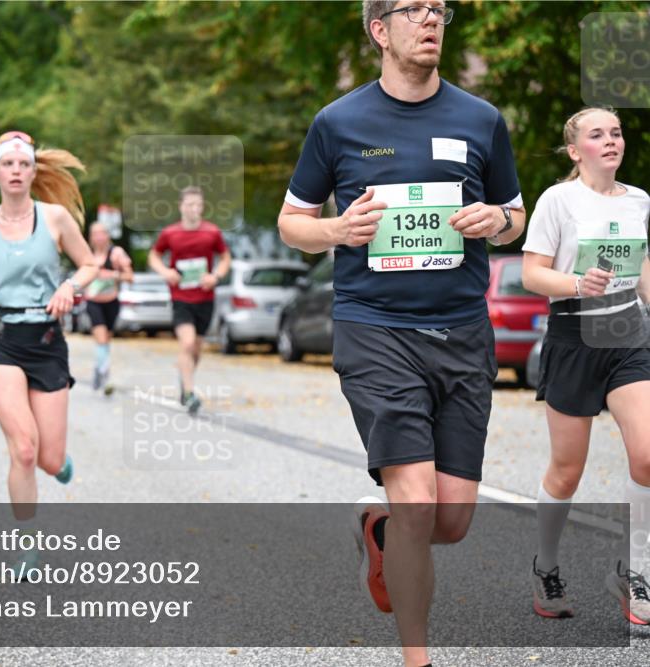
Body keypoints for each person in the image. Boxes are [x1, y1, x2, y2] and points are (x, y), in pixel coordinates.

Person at [277, 2, 526, 665]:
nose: (431, 19)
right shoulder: (338, 123)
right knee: (418, 502)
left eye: (438, 9)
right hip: (376, 328)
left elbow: (516, 211)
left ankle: (379, 526)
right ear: (379, 30)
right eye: (413, 9)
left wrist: (494, 221)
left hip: (463, 331)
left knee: (450, 519)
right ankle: (418, 658)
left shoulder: (481, 119)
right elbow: (291, 222)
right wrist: (337, 230)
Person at [521, 107, 650, 624]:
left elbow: (642, 272)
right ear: (576, 151)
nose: (611, 141)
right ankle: (545, 566)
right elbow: (532, 274)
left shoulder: (640, 200)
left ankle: (634, 568)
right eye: (597, 135)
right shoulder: (558, 199)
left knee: (646, 455)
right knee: (567, 471)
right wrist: (577, 284)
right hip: (574, 334)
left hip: (627, 333)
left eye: (616, 133)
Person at [0, 131, 97, 572]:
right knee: (24, 449)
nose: (15, 171)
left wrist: (69, 287)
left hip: (47, 341)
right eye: (7, 164)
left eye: (23, 164)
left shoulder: (54, 219)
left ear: (33, 172)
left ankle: (61, 462)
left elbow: (90, 264)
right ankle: (27, 544)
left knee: (49, 459)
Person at [147, 186, 231, 415]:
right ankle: (189, 393)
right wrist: (166, 272)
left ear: (202, 207)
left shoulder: (212, 233)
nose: (194, 209)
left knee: (196, 349)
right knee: (186, 343)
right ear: (181, 206)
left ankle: (185, 380)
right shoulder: (170, 233)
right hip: (180, 297)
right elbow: (153, 255)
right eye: (189, 204)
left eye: (198, 205)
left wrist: (215, 277)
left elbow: (225, 257)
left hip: (204, 297)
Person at [84, 222, 134, 394]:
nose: (98, 237)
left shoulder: (116, 253)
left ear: (108, 235)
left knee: (106, 340)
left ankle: (99, 368)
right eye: (95, 233)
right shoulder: (86, 254)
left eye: (102, 233)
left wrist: (113, 275)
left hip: (111, 302)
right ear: (91, 237)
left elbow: (130, 276)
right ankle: (105, 377)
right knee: (101, 338)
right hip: (93, 301)